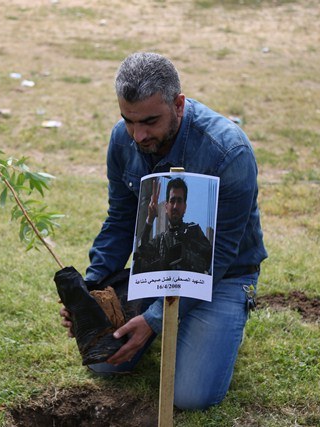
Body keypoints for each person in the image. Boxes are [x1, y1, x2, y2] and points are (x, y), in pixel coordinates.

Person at [59, 52, 267, 410]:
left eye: (150, 121)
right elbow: (120, 221)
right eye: (128, 120)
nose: (138, 135)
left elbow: (220, 254)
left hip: (223, 274)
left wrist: (154, 319)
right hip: (155, 266)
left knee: (190, 396)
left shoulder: (229, 151)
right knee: (103, 361)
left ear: (179, 104)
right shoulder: (122, 140)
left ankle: (210, 322)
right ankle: (174, 324)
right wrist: (90, 293)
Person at [133, 177, 212, 274]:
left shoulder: (194, 231)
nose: (175, 206)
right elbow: (141, 253)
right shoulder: (159, 240)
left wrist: (185, 255)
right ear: (166, 207)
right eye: (172, 201)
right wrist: (150, 219)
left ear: (184, 207)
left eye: (179, 201)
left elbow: (209, 262)